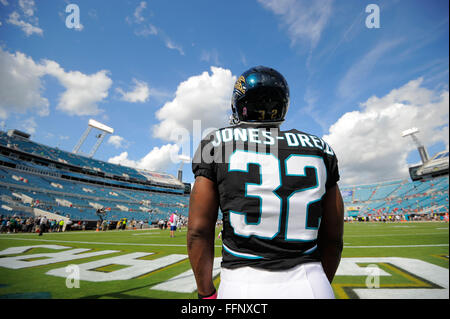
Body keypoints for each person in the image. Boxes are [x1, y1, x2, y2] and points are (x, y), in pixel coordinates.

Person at [187, 66, 344, 299]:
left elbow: (198, 231)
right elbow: (333, 238)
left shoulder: (216, 143)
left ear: (239, 104)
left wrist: (206, 294)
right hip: (311, 283)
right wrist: (318, 283)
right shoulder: (320, 148)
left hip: (242, 284)